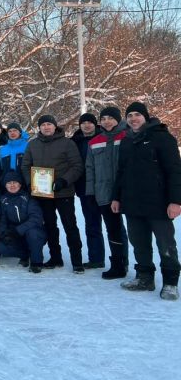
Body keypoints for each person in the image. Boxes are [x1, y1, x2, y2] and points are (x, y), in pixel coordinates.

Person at [112, 102, 181, 300]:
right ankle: (144, 277)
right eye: (130, 115)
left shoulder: (162, 137)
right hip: (133, 202)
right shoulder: (126, 141)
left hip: (158, 202)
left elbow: (175, 171)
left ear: (146, 116)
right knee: (139, 242)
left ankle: (170, 282)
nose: (133, 118)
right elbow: (121, 172)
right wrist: (116, 197)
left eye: (137, 115)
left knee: (165, 244)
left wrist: (176, 201)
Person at [21, 115, 85, 273]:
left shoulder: (67, 143)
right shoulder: (32, 144)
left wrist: (64, 181)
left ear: (55, 126)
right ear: (40, 128)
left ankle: (77, 261)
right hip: (43, 193)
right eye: (43, 125)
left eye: (49, 124)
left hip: (64, 192)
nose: (46, 127)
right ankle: (55, 257)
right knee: (50, 227)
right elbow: (25, 166)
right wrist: (31, 183)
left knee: (70, 226)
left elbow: (77, 166)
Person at [85, 106, 130, 279]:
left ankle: (139, 266)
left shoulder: (128, 136)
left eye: (110, 118)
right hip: (104, 192)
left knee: (134, 230)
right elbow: (90, 169)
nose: (106, 121)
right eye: (103, 119)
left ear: (118, 119)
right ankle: (118, 264)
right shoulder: (94, 142)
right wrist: (90, 193)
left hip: (127, 192)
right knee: (113, 229)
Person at [71, 113, 105, 269]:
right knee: (92, 224)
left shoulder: (105, 137)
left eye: (90, 122)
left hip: (105, 188)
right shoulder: (74, 142)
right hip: (85, 188)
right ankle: (96, 258)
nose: (86, 125)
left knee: (115, 226)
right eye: (83, 123)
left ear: (95, 124)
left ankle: (120, 261)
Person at [0, 171, 46, 273]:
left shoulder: (28, 198)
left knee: (33, 234)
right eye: (9, 183)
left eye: (15, 182)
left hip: (31, 231)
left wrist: (18, 230)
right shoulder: (3, 199)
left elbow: (36, 218)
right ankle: (25, 255)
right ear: (5, 185)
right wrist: (4, 233)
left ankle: (36, 262)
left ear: (20, 183)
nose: (12, 185)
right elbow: (3, 219)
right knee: (1, 247)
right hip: (15, 232)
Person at [0, 122, 29, 187]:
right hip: (7, 185)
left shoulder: (28, 146)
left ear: (20, 132)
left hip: (24, 183)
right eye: (10, 131)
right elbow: (1, 168)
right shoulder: (3, 149)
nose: (12, 133)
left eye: (15, 130)